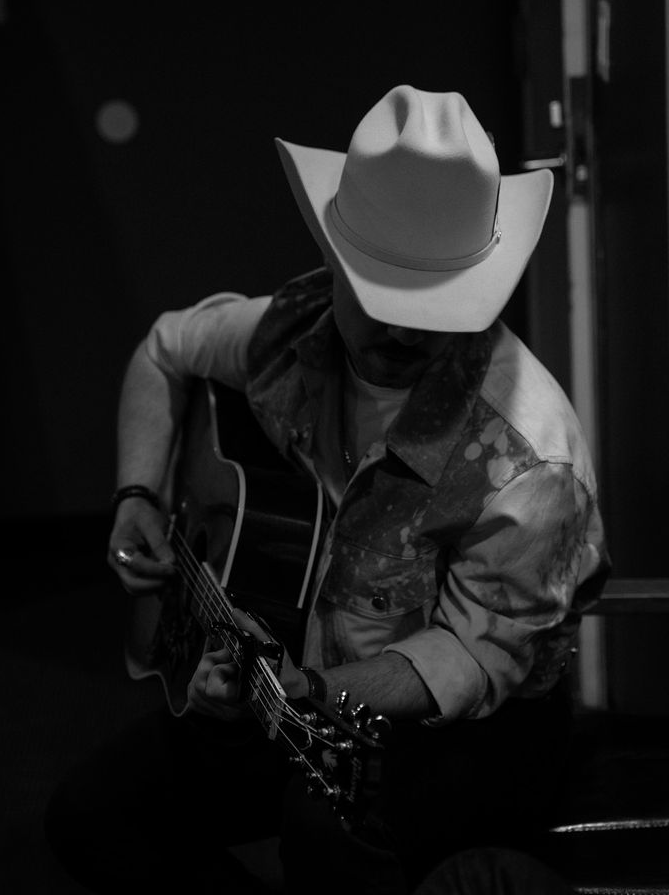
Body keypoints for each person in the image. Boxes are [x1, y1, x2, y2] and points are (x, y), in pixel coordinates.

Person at [45, 85, 609, 894]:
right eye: (382, 296)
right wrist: (136, 492)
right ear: (334, 263)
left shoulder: (530, 458)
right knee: (89, 818)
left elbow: (469, 659)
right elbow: (163, 351)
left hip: (467, 730)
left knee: (327, 832)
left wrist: (303, 690)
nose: (405, 331)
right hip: (277, 671)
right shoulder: (291, 326)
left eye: (435, 307)